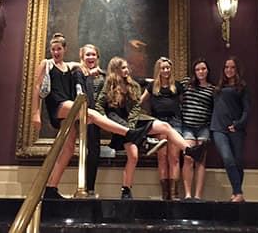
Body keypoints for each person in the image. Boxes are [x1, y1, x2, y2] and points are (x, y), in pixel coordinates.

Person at [31, 33, 163, 199]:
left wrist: (96, 70)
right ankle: (131, 133)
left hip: (68, 108)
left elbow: (82, 66)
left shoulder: (70, 66)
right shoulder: (47, 63)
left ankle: (51, 188)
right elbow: (37, 87)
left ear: (64, 49)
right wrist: (35, 114)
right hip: (57, 105)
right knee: (91, 113)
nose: (56, 52)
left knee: (69, 149)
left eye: (59, 49)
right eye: (53, 49)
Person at [95, 56, 205, 200]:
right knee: (133, 156)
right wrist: (104, 120)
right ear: (115, 70)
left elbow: (135, 108)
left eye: (127, 67)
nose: (127, 70)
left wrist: (133, 126)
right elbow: (99, 105)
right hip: (118, 124)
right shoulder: (108, 84)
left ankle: (189, 150)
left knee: (165, 126)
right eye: (123, 68)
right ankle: (126, 189)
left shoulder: (133, 85)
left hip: (133, 122)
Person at [78, 0, 146, 69]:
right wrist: (82, 44)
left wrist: (131, 38)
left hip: (115, 43)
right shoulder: (90, 2)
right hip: (96, 42)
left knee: (115, 70)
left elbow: (126, 22)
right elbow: (83, 24)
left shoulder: (120, 2)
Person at [140, 57, 183, 200]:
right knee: (162, 157)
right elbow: (140, 102)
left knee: (174, 158)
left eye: (168, 68)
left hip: (175, 122)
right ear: (158, 70)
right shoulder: (152, 87)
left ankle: (174, 193)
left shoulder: (177, 86)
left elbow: (184, 103)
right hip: (159, 123)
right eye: (163, 68)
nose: (166, 70)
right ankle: (165, 195)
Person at [210, 56, 250, 203]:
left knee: (238, 161)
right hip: (218, 129)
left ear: (237, 69)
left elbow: (247, 110)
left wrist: (238, 124)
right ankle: (238, 193)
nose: (229, 70)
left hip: (235, 129)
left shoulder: (242, 87)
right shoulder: (218, 88)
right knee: (227, 158)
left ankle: (236, 193)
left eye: (232, 67)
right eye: (227, 67)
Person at [72, 44, 106, 198]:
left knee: (95, 151)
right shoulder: (78, 72)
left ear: (97, 57)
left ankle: (90, 189)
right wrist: (88, 76)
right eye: (88, 55)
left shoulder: (101, 74)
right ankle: (83, 188)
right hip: (84, 116)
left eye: (93, 55)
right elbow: (80, 93)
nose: (91, 57)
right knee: (86, 151)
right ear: (82, 57)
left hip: (97, 117)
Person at [181, 59, 215, 201]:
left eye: (203, 69)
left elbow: (215, 109)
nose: (201, 72)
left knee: (200, 161)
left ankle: (198, 196)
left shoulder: (212, 89)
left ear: (207, 70)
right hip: (187, 126)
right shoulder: (187, 84)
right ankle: (188, 194)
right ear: (194, 71)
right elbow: (169, 85)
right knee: (188, 158)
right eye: (198, 69)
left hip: (203, 128)